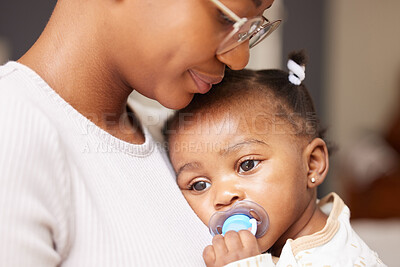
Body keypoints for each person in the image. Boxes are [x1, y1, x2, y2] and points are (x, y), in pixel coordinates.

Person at [0, 0, 281, 266]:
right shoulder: (14, 129)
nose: (239, 59)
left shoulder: (179, 142)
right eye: (225, 17)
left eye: (251, 28)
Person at [164, 51, 386, 266]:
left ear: (311, 165)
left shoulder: (336, 259)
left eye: (247, 165)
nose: (223, 196)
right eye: (199, 184)